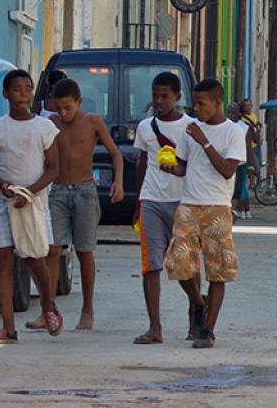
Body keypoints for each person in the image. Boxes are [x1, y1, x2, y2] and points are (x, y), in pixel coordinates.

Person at [161, 78, 248, 349]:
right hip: (189, 203)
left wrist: (205, 142)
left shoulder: (234, 132)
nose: (197, 109)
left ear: (217, 103)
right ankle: (199, 303)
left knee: (218, 271)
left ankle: (207, 330)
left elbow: (227, 170)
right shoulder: (192, 129)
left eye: (202, 104)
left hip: (217, 206)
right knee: (177, 262)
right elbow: (185, 167)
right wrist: (170, 167)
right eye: (194, 104)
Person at [0, 69, 63, 343]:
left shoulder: (44, 127)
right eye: (17, 89)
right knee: (3, 259)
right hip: (3, 201)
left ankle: (48, 307)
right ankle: (8, 328)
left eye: (28, 89)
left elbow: (53, 169)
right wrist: (3, 184)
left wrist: (29, 192)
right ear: (6, 94)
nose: (23, 94)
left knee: (34, 259)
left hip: (33, 203)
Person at [36, 78, 124, 332]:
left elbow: (115, 153)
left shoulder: (92, 121)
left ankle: (88, 310)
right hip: (58, 192)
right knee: (52, 250)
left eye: (68, 108)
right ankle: (48, 310)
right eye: (59, 108)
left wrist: (117, 181)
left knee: (84, 251)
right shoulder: (50, 124)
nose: (64, 114)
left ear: (79, 102)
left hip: (85, 191)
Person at [130, 71, 194, 345]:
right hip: (151, 200)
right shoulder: (145, 127)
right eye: (155, 96)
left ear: (178, 97)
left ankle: (197, 308)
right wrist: (137, 202)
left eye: (165, 96)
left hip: (183, 202)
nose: (159, 101)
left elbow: (198, 167)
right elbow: (143, 164)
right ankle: (154, 327)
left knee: (185, 265)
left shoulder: (192, 127)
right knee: (151, 265)